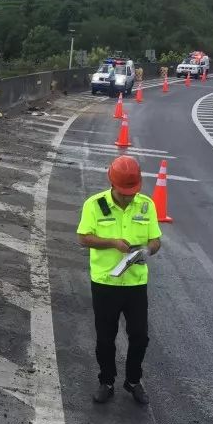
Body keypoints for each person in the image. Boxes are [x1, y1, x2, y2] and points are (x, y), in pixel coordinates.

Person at [76, 155, 162, 405]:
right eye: (124, 193)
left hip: (135, 283)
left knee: (140, 336)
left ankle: (133, 381)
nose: (128, 197)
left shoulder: (146, 205)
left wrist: (150, 249)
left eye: (131, 193)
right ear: (112, 184)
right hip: (105, 283)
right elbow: (83, 238)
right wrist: (112, 243)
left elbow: (156, 239)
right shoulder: (95, 205)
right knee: (105, 337)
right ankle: (107, 381)